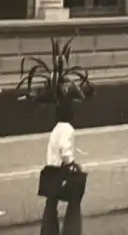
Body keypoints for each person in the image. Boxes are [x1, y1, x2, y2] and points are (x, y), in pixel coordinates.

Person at [40, 97, 82, 235]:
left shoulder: (56, 128)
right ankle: (71, 230)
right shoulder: (68, 128)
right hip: (60, 169)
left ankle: (48, 231)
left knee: (51, 203)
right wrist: (71, 163)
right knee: (74, 199)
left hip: (50, 168)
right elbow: (65, 147)